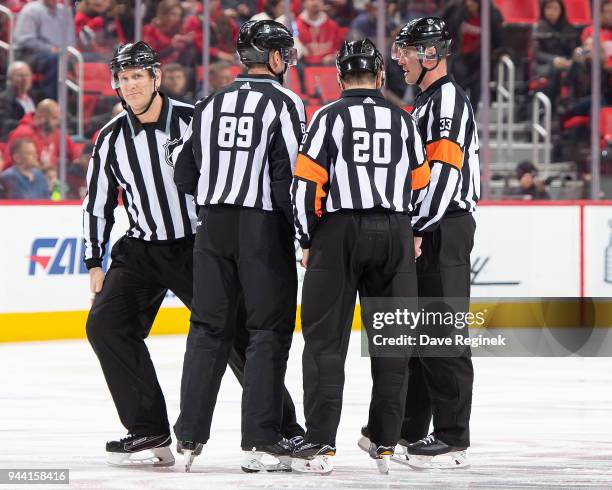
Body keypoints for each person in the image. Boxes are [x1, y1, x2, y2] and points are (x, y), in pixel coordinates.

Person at [83, 40, 304, 469]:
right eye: (123, 78)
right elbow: (97, 202)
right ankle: (148, 429)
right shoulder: (109, 138)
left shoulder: (194, 118)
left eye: (137, 76)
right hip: (141, 247)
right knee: (105, 325)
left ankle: (284, 429)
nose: (130, 86)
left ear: (156, 76)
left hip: (197, 245)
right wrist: (95, 260)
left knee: (237, 336)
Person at [290, 38, 430, 475]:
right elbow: (422, 182)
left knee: (325, 344)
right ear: (380, 76)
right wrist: (413, 230)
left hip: (339, 233)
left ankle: (320, 444)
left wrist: (306, 238)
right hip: (394, 231)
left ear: (338, 76)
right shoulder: (404, 120)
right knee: (393, 342)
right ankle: (385, 442)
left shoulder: (327, 117)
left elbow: (305, 186)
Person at [172, 19, 305, 473]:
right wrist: (304, 234)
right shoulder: (285, 102)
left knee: (207, 329)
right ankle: (261, 442)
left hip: (212, 227)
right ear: (270, 57)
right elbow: (288, 178)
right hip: (261, 229)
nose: (287, 61)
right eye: (283, 53)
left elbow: (184, 173)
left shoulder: (208, 102)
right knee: (267, 331)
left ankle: (189, 437)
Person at [360, 17, 480, 469]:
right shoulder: (429, 99)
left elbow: (446, 176)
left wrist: (417, 227)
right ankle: (409, 429)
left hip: (442, 226)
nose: (400, 60)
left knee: (443, 332)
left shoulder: (445, 100)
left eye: (407, 51)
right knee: (422, 331)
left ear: (430, 53)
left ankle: (452, 437)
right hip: (434, 225)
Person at [13, 0, 75, 99]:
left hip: (60, 53)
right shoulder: (31, 10)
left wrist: (68, 51)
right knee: (55, 59)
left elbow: (71, 40)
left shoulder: (65, 11)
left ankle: (86, 105)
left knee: (91, 58)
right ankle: (51, 101)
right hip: (30, 55)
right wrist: (51, 49)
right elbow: (25, 40)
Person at [6, 99, 81, 168]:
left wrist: (78, 160)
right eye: (54, 118)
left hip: (51, 178)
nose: (57, 123)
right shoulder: (22, 134)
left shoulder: (56, 133)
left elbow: (74, 151)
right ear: (42, 117)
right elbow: (9, 164)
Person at [532, 0, 579, 103]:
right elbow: (537, 53)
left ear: (561, 11)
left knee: (579, 66)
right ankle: (553, 106)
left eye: (555, 8)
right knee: (556, 70)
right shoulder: (538, 28)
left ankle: (574, 105)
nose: (551, 12)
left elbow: (573, 50)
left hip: (566, 63)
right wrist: (554, 59)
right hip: (544, 65)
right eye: (548, 8)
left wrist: (571, 60)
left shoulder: (568, 28)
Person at [0, 61, 40, 139]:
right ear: (10, 78)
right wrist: (28, 124)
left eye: (27, 75)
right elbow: (4, 124)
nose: (24, 79)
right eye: (20, 75)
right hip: (18, 140)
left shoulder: (37, 96)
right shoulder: (4, 99)